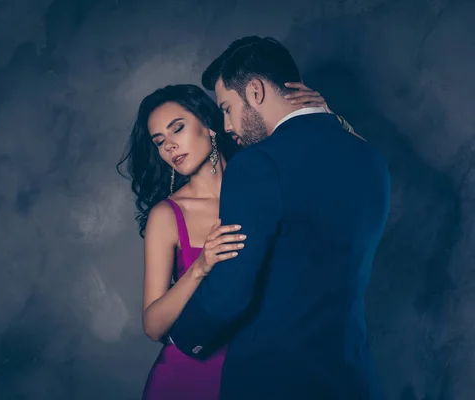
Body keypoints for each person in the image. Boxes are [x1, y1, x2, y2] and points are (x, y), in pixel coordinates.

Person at [164, 36, 390, 399]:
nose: (226, 126)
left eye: (226, 107)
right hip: (353, 377)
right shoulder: (371, 160)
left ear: (255, 91)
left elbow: (231, 290)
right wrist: (335, 120)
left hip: (273, 380)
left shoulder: (258, 165)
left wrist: (182, 336)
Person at [117, 79, 361, 399]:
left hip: (266, 374)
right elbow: (153, 325)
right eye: (160, 141)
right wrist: (200, 267)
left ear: (209, 124)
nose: (170, 147)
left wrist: (327, 116)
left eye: (177, 129)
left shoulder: (265, 183)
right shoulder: (167, 215)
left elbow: (352, 172)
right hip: (188, 378)